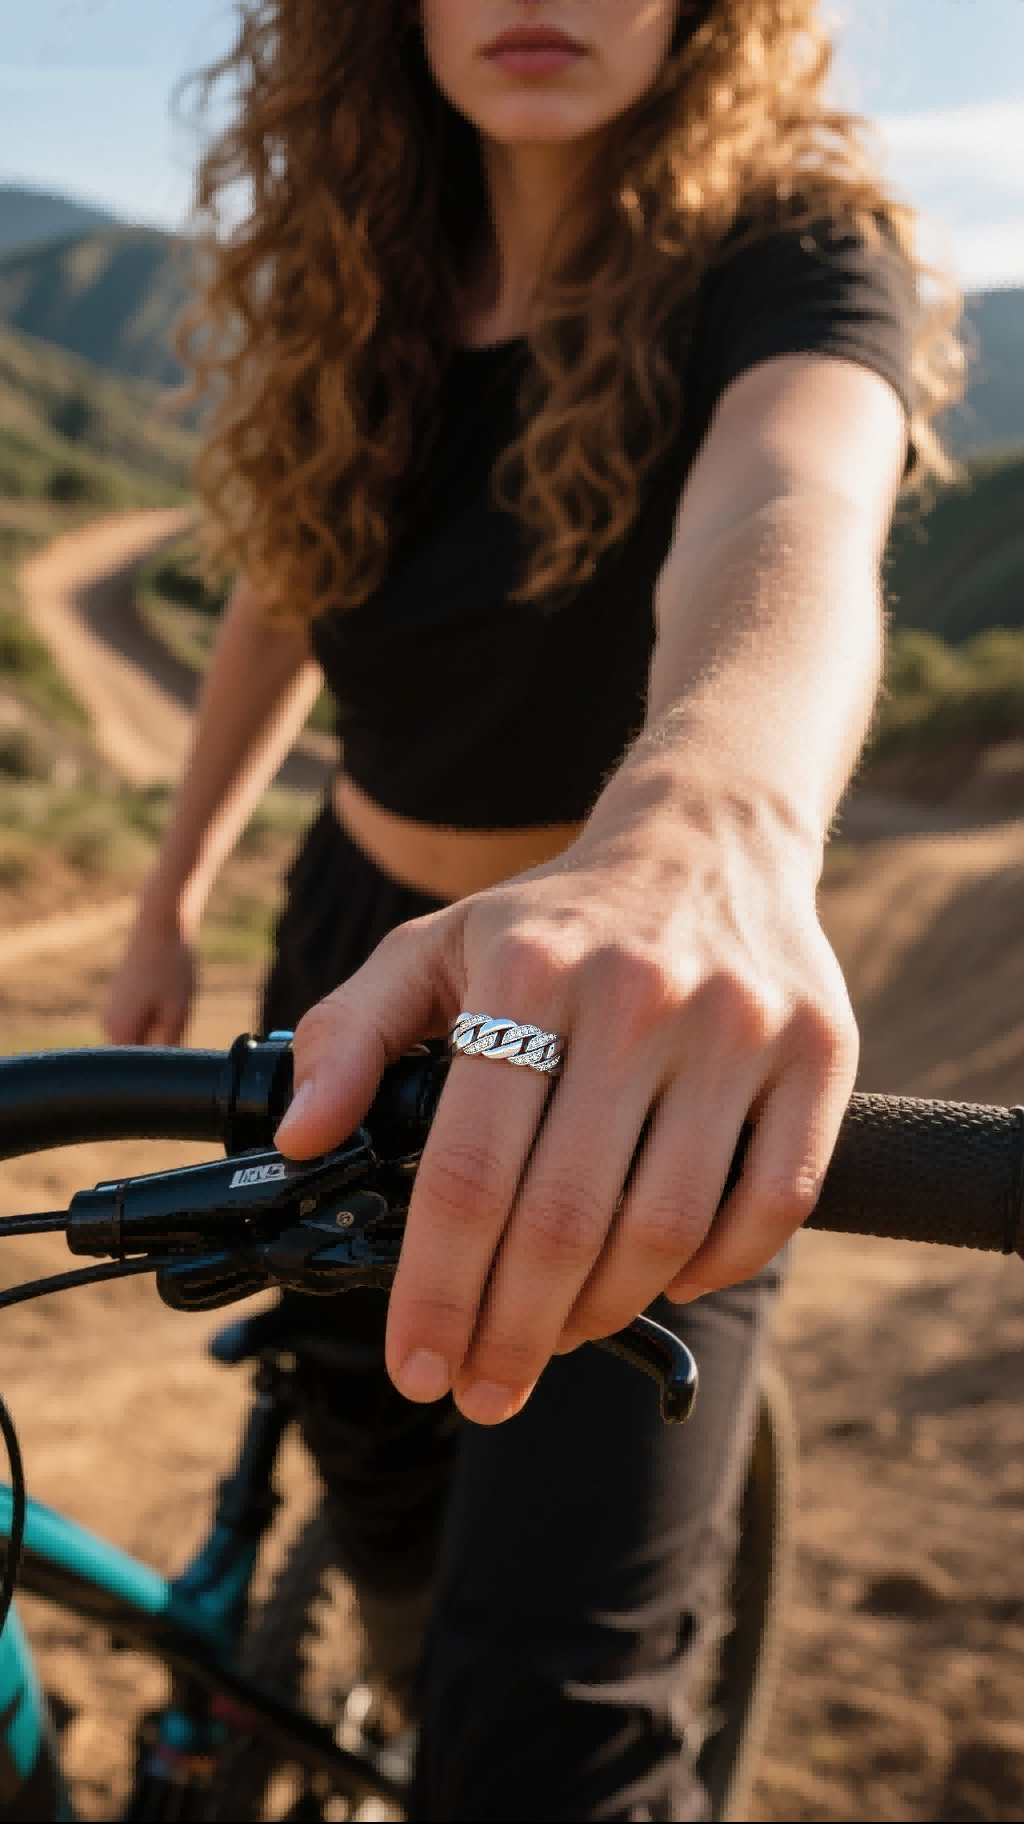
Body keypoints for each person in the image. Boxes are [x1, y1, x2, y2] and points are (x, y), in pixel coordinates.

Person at [105, 3, 961, 1815]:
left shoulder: (797, 254)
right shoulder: (364, 265)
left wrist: (711, 827)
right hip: (348, 951)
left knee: (550, 1723)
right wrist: (170, 890)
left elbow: (792, 506)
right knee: (364, 1443)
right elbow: (284, 584)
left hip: (637, 1006)